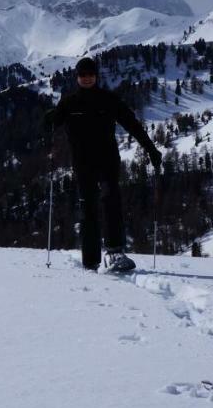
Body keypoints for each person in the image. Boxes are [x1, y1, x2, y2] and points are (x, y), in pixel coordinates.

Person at [45, 57, 161, 272]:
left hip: (107, 159)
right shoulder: (69, 103)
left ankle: (115, 252)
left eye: (90, 74)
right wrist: (48, 121)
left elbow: (133, 125)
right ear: (77, 77)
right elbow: (51, 125)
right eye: (83, 75)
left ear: (96, 76)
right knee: (88, 207)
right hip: (82, 163)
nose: (87, 78)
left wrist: (151, 149)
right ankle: (90, 260)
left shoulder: (109, 99)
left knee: (111, 200)